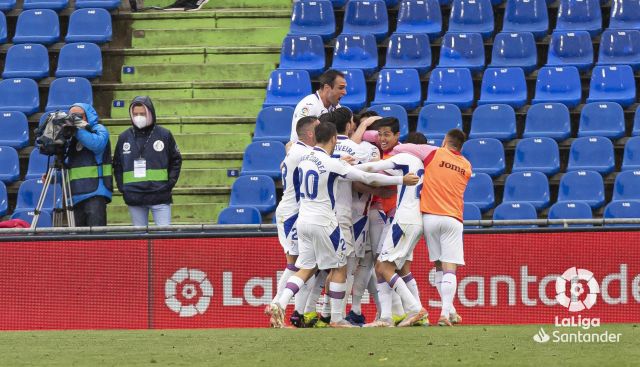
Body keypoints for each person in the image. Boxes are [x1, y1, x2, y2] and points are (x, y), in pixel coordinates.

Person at [268, 121, 419, 328]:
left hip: (302, 221)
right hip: (324, 222)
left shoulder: (304, 158)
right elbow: (366, 177)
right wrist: (402, 180)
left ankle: (280, 302)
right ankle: (337, 319)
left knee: (305, 267)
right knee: (339, 267)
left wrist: (341, 161)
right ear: (333, 139)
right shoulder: (331, 163)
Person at [393, 129, 472, 326]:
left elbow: (400, 148)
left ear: (445, 140)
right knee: (449, 268)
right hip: (453, 218)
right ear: (461, 146)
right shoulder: (467, 166)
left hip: (429, 217)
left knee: (438, 265)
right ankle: (445, 313)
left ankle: (450, 311)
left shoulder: (433, 152)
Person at [355, 133, 431, 327]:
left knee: (383, 267)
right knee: (385, 267)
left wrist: (346, 168)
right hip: (413, 219)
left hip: (404, 219)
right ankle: (386, 317)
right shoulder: (422, 165)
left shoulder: (406, 157)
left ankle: (415, 309)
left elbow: (374, 167)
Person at [267, 116, 319, 328]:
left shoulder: (295, 151)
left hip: (291, 212)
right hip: (291, 214)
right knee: (299, 264)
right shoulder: (304, 153)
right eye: (318, 129)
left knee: (300, 264)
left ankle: (284, 309)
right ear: (309, 134)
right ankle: (278, 304)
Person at [112, 96, 182, 226]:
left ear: (150, 113)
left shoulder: (164, 134)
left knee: (163, 238)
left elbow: (176, 160)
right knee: (140, 240)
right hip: (134, 196)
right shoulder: (124, 137)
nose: (139, 117)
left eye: (142, 113)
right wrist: (123, 187)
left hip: (160, 195)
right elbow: (117, 164)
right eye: (135, 114)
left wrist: (169, 184)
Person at [66, 103, 112, 227]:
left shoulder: (99, 129)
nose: (74, 119)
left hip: (95, 194)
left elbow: (96, 144)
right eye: (71, 116)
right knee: (79, 243)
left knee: (96, 241)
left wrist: (76, 129)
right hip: (75, 195)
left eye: (78, 116)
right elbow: (68, 167)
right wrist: (54, 177)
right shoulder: (71, 138)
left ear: (88, 116)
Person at [289, 70, 346, 142]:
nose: (345, 92)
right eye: (341, 88)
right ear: (327, 88)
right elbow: (300, 139)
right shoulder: (309, 106)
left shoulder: (337, 107)